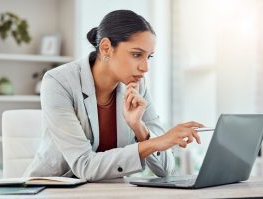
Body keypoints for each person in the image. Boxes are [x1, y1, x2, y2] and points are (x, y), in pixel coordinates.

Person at [23, 10, 204, 181]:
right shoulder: (58, 82)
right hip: (52, 190)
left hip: (110, 192)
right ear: (106, 48)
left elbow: (166, 170)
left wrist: (139, 127)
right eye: (136, 54)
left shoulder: (138, 87)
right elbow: (83, 165)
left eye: (148, 57)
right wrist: (155, 143)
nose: (145, 67)